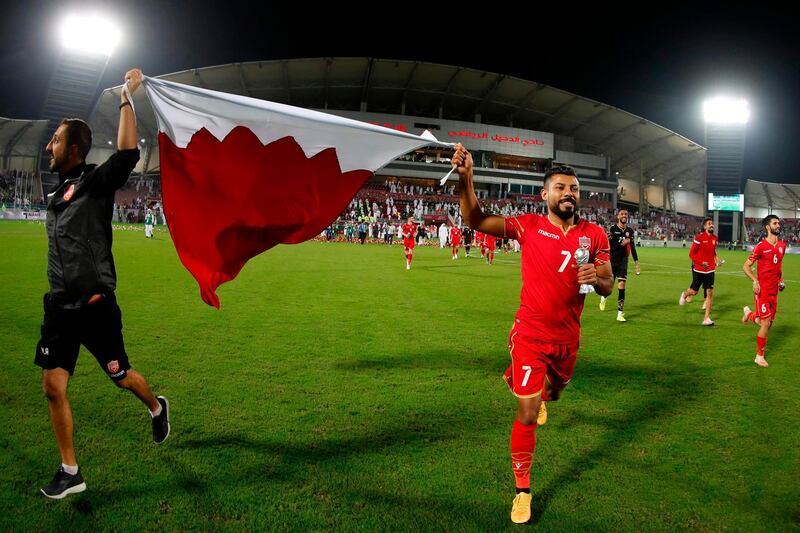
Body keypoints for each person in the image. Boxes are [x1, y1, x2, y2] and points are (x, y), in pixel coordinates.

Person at [452, 144, 612, 524]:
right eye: (559, 187)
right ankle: (522, 490)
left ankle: (540, 391)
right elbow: (476, 219)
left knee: (552, 394)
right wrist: (467, 177)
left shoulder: (594, 235)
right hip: (530, 335)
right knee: (526, 412)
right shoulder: (529, 226)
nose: (568, 193)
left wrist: (598, 279)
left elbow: (606, 284)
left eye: (573, 188)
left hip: (567, 340)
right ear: (545, 195)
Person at [35, 69, 170, 500]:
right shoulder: (57, 196)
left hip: (95, 309)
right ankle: (70, 470)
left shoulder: (93, 184)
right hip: (59, 308)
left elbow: (129, 154)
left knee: (122, 376)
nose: (48, 146)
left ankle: (155, 406)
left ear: (74, 149)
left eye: (55, 140)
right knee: (53, 386)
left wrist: (126, 96)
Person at [741, 215, 786, 367]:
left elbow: (778, 267)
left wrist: (781, 281)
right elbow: (746, 266)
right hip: (762, 291)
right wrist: (755, 280)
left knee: (766, 322)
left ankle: (749, 314)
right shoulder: (761, 246)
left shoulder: (782, 246)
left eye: (778, 223)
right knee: (765, 323)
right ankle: (759, 356)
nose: (778, 225)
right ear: (768, 227)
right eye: (775, 223)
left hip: (774, 291)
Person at [599, 209, 640, 322]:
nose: (624, 215)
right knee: (609, 287)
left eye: (626, 214)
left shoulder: (630, 231)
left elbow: (632, 247)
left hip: (623, 261)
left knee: (621, 285)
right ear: (618, 216)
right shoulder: (613, 229)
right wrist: (622, 243)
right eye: (622, 214)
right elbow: (611, 246)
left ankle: (620, 314)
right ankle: (604, 296)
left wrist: (637, 262)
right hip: (612, 260)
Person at [679, 218, 720, 325]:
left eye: (712, 224)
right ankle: (684, 294)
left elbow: (713, 251)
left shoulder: (715, 238)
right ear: (705, 227)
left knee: (709, 293)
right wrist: (701, 262)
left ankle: (706, 318)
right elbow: (691, 254)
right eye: (709, 224)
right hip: (699, 269)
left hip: (710, 269)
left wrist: (717, 259)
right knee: (694, 292)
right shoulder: (699, 238)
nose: (712, 225)